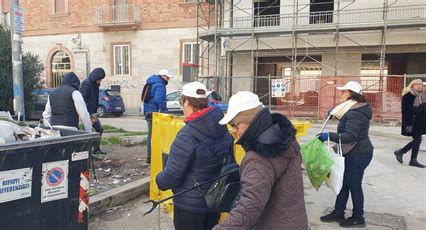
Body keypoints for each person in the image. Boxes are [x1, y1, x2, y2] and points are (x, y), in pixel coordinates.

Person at [214, 91, 308, 230]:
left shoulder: (259, 158)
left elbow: (250, 205)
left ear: (249, 121)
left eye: (235, 125)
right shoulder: (285, 140)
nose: (233, 131)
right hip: (295, 221)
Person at [156, 82, 233, 230]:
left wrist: (159, 180)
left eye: (181, 101)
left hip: (189, 207)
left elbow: (172, 175)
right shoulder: (221, 127)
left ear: (187, 102)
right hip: (214, 201)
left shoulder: (186, 135)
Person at [318, 81, 373, 228]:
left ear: (351, 94)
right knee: (343, 184)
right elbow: (346, 120)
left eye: (343, 91)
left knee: (353, 185)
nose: (341, 94)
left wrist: (327, 136)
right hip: (351, 151)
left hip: (359, 153)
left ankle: (358, 218)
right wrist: (335, 114)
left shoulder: (356, 112)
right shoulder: (352, 108)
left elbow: (350, 136)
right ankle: (338, 212)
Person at [394, 79, 425, 168]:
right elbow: (406, 111)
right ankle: (401, 152)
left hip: (420, 121)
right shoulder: (408, 96)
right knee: (418, 140)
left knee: (418, 139)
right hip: (411, 121)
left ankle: (413, 160)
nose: (419, 86)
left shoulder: (421, 95)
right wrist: (408, 124)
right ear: (412, 85)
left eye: (420, 84)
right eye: (417, 84)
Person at [143, 69, 172, 163]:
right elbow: (158, 100)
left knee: (150, 135)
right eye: (167, 77)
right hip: (154, 113)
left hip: (148, 111)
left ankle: (150, 157)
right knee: (155, 135)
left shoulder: (152, 82)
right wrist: (165, 111)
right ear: (163, 76)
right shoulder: (160, 85)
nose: (168, 79)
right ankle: (151, 157)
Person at [80, 67, 107, 158]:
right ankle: (88, 153)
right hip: (87, 114)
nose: (101, 81)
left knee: (99, 129)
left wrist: (95, 114)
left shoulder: (95, 85)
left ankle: (96, 149)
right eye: (100, 79)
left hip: (93, 113)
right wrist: (88, 115)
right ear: (96, 77)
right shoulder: (87, 84)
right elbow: (82, 100)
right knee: (88, 133)